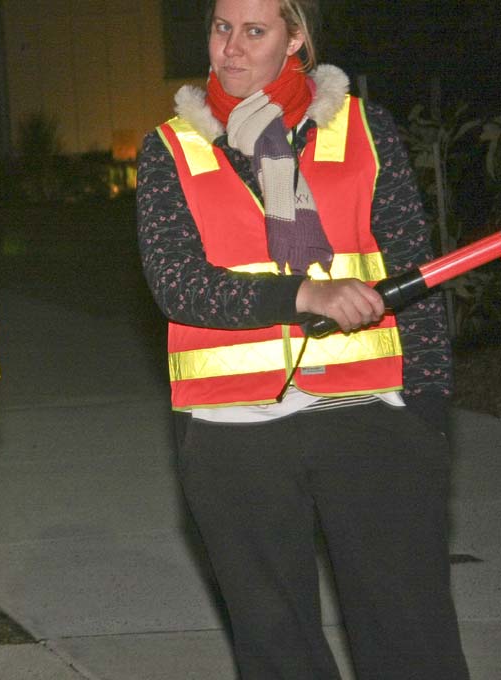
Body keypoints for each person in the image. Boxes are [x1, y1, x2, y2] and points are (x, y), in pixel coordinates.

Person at [136, 1, 467, 678]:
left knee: (412, 640)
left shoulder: (365, 129)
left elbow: (416, 277)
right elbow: (176, 283)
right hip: (234, 435)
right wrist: (299, 297)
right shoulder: (172, 147)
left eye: (254, 31)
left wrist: (429, 415)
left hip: (371, 422)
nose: (230, 48)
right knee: (276, 650)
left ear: (296, 39)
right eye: (220, 28)